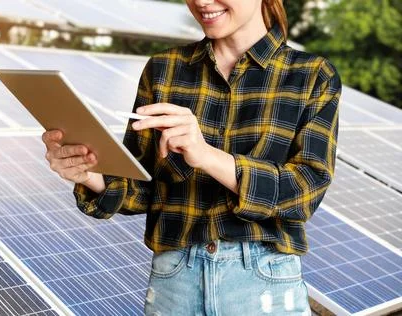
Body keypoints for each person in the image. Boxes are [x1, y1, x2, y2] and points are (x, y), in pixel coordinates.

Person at [42, 0, 341, 314]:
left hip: (261, 282)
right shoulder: (163, 69)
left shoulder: (312, 76)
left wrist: (206, 156)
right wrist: (90, 173)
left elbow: (304, 192)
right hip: (174, 282)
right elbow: (143, 188)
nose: (201, 2)